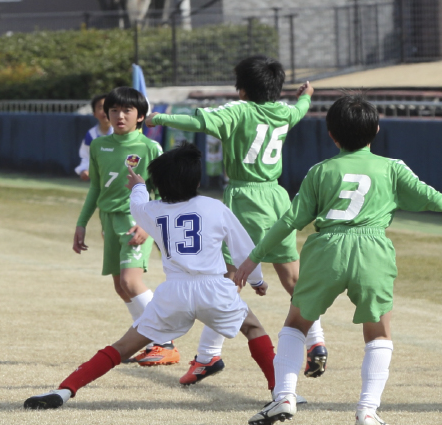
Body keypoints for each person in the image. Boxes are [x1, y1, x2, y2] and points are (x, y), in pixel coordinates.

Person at [235, 95, 442, 425]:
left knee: (295, 325)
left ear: (331, 135)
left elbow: (288, 221)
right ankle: (367, 410)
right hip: (373, 249)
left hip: (326, 251)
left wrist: (253, 258)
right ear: (376, 130)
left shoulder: (320, 171)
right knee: (379, 331)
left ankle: (285, 397)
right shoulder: (392, 168)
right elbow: (435, 200)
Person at [26, 142, 275, 409]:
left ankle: (65, 389)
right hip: (214, 287)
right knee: (253, 328)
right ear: (197, 179)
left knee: (123, 347)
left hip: (173, 293)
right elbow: (243, 249)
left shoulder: (152, 210)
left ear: (160, 182)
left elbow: (137, 202)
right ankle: (280, 392)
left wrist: (139, 185)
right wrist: (256, 280)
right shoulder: (214, 207)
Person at [146, 56, 326, 385]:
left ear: (241, 90)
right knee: (292, 279)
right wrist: (306, 95)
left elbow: (198, 121)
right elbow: (300, 110)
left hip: (243, 199)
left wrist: (157, 116)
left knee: (227, 282)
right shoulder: (284, 112)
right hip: (276, 198)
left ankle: (207, 357)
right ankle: (316, 340)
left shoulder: (238, 111)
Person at [73, 86, 174, 365]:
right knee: (120, 286)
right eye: (114, 110)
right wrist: (82, 224)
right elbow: (95, 188)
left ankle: (165, 342)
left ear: (141, 116)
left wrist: (148, 224)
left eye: (127, 110)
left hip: (137, 220)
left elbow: (163, 192)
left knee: (131, 281)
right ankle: (149, 339)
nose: (120, 116)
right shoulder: (98, 145)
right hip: (109, 220)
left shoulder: (150, 147)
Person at [75, 94, 112, 181]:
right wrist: (84, 169)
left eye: (109, 107)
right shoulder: (91, 134)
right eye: (100, 107)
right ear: (94, 113)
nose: (105, 111)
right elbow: (86, 156)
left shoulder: (121, 133)